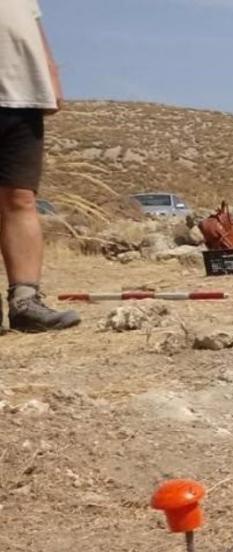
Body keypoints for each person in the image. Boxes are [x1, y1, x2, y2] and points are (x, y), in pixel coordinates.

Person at [0, 0, 78, 333]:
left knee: (21, 198)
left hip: (23, 97)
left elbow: (33, 25)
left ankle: (26, 303)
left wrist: (51, 75)